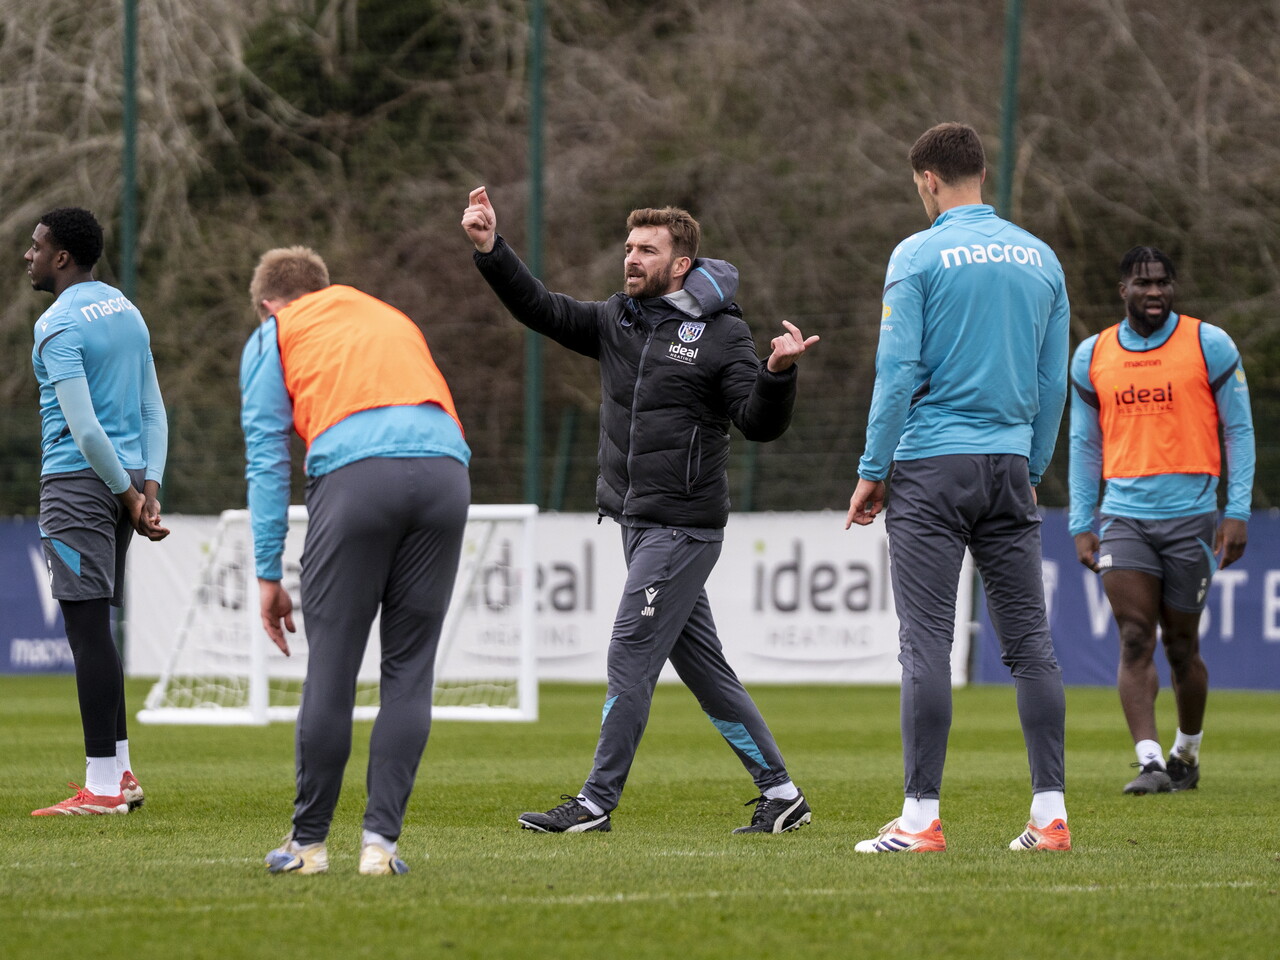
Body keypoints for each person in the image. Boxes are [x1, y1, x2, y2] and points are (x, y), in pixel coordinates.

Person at [462, 186, 819, 835]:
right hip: (637, 524)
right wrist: (491, 249)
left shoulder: (722, 333)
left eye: (647, 250)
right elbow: (540, 307)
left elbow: (758, 423)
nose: (631, 258)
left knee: (629, 650)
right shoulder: (616, 320)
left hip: (683, 527)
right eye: (629, 247)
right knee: (706, 672)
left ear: (681, 264)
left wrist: (777, 375)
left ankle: (595, 803)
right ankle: (782, 794)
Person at [846, 123, 1071, 853]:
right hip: (1009, 467)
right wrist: (1030, 468)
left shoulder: (917, 254)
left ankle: (920, 820)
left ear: (929, 180)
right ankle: (1050, 816)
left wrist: (873, 468)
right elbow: (1051, 382)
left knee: (926, 644)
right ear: (981, 172)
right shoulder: (1040, 257)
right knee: (1031, 647)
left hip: (932, 468)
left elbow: (896, 373)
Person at [241, 247, 471, 875]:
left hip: (356, 477)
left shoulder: (275, 333)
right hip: (447, 473)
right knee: (409, 671)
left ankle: (308, 846)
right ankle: (380, 847)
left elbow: (267, 458)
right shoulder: (387, 314)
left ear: (268, 305)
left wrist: (268, 572)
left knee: (334, 668)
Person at [1069, 247, 1254, 796]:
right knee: (1133, 637)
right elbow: (1084, 443)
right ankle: (1150, 761)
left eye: (1163, 282)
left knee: (1180, 645)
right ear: (1122, 289)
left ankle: (1186, 754)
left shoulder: (1209, 344)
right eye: (1143, 282)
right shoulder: (1092, 354)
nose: (1155, 291)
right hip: (1123, 517)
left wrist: (1236, 511)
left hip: (1191, 517)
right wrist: (1081, 520)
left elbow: (1239, 431)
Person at [26, 207, 169, 817]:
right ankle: (123, 773)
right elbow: (154, 409)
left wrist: (128, 495)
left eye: (37, 246)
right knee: (100, 631)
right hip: (126, 479)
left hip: (79, 485)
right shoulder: (126, 310)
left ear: (62, 257)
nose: (29, 256)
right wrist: (146, 488)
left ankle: (103, 787)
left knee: (86, 634)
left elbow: (84, 429)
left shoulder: (57, 323)